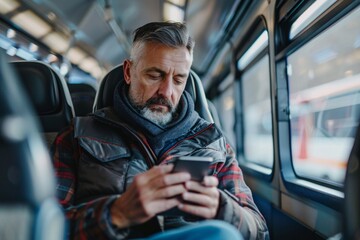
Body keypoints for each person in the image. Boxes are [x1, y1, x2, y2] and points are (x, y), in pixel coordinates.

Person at [51, 21, 269, 239]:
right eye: (155, 76)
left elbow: (259, 231)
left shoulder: (213, 142)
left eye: (178, 79)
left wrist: (222, 209)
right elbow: (44, 227)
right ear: (128, 72)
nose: (166, 91)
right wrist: (116, 213)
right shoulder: (78, 136)